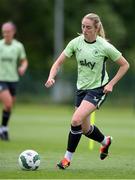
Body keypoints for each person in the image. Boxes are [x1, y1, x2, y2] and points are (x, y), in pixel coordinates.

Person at [45, 13, 129, 169]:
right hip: (81, 90)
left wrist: (111, 84)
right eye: (83, 26)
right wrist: (51, 77)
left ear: (96, 28)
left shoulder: (104, 46)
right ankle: (105, 141)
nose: (84, 30)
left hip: (98, 89)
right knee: (84, 129)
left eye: (88, 27)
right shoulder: (76, 43)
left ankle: (66, 159)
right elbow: (58, 63)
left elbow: (125, 65)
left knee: (75, 120)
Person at [0, 22, 28, 141]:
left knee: (10, 107)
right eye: (4, 31)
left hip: (13, 80)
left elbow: (24, 61)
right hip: (1, 79)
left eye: (8, 31)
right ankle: (3, 129)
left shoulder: (18, 46)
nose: (6, 34)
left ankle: (4, 128)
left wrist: (22, 67)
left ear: (13, 32)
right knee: (8, 103)